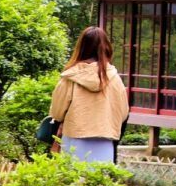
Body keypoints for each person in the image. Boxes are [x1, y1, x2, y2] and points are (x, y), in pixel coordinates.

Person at [48, 25, 130, 162]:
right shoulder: (115, 79)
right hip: (105, 141)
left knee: (73, 179)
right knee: (99, 180)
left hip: (74, 139)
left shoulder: (70, 77)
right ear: (106, 47)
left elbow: (56, 113)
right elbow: (123, 113)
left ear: (81, 47)